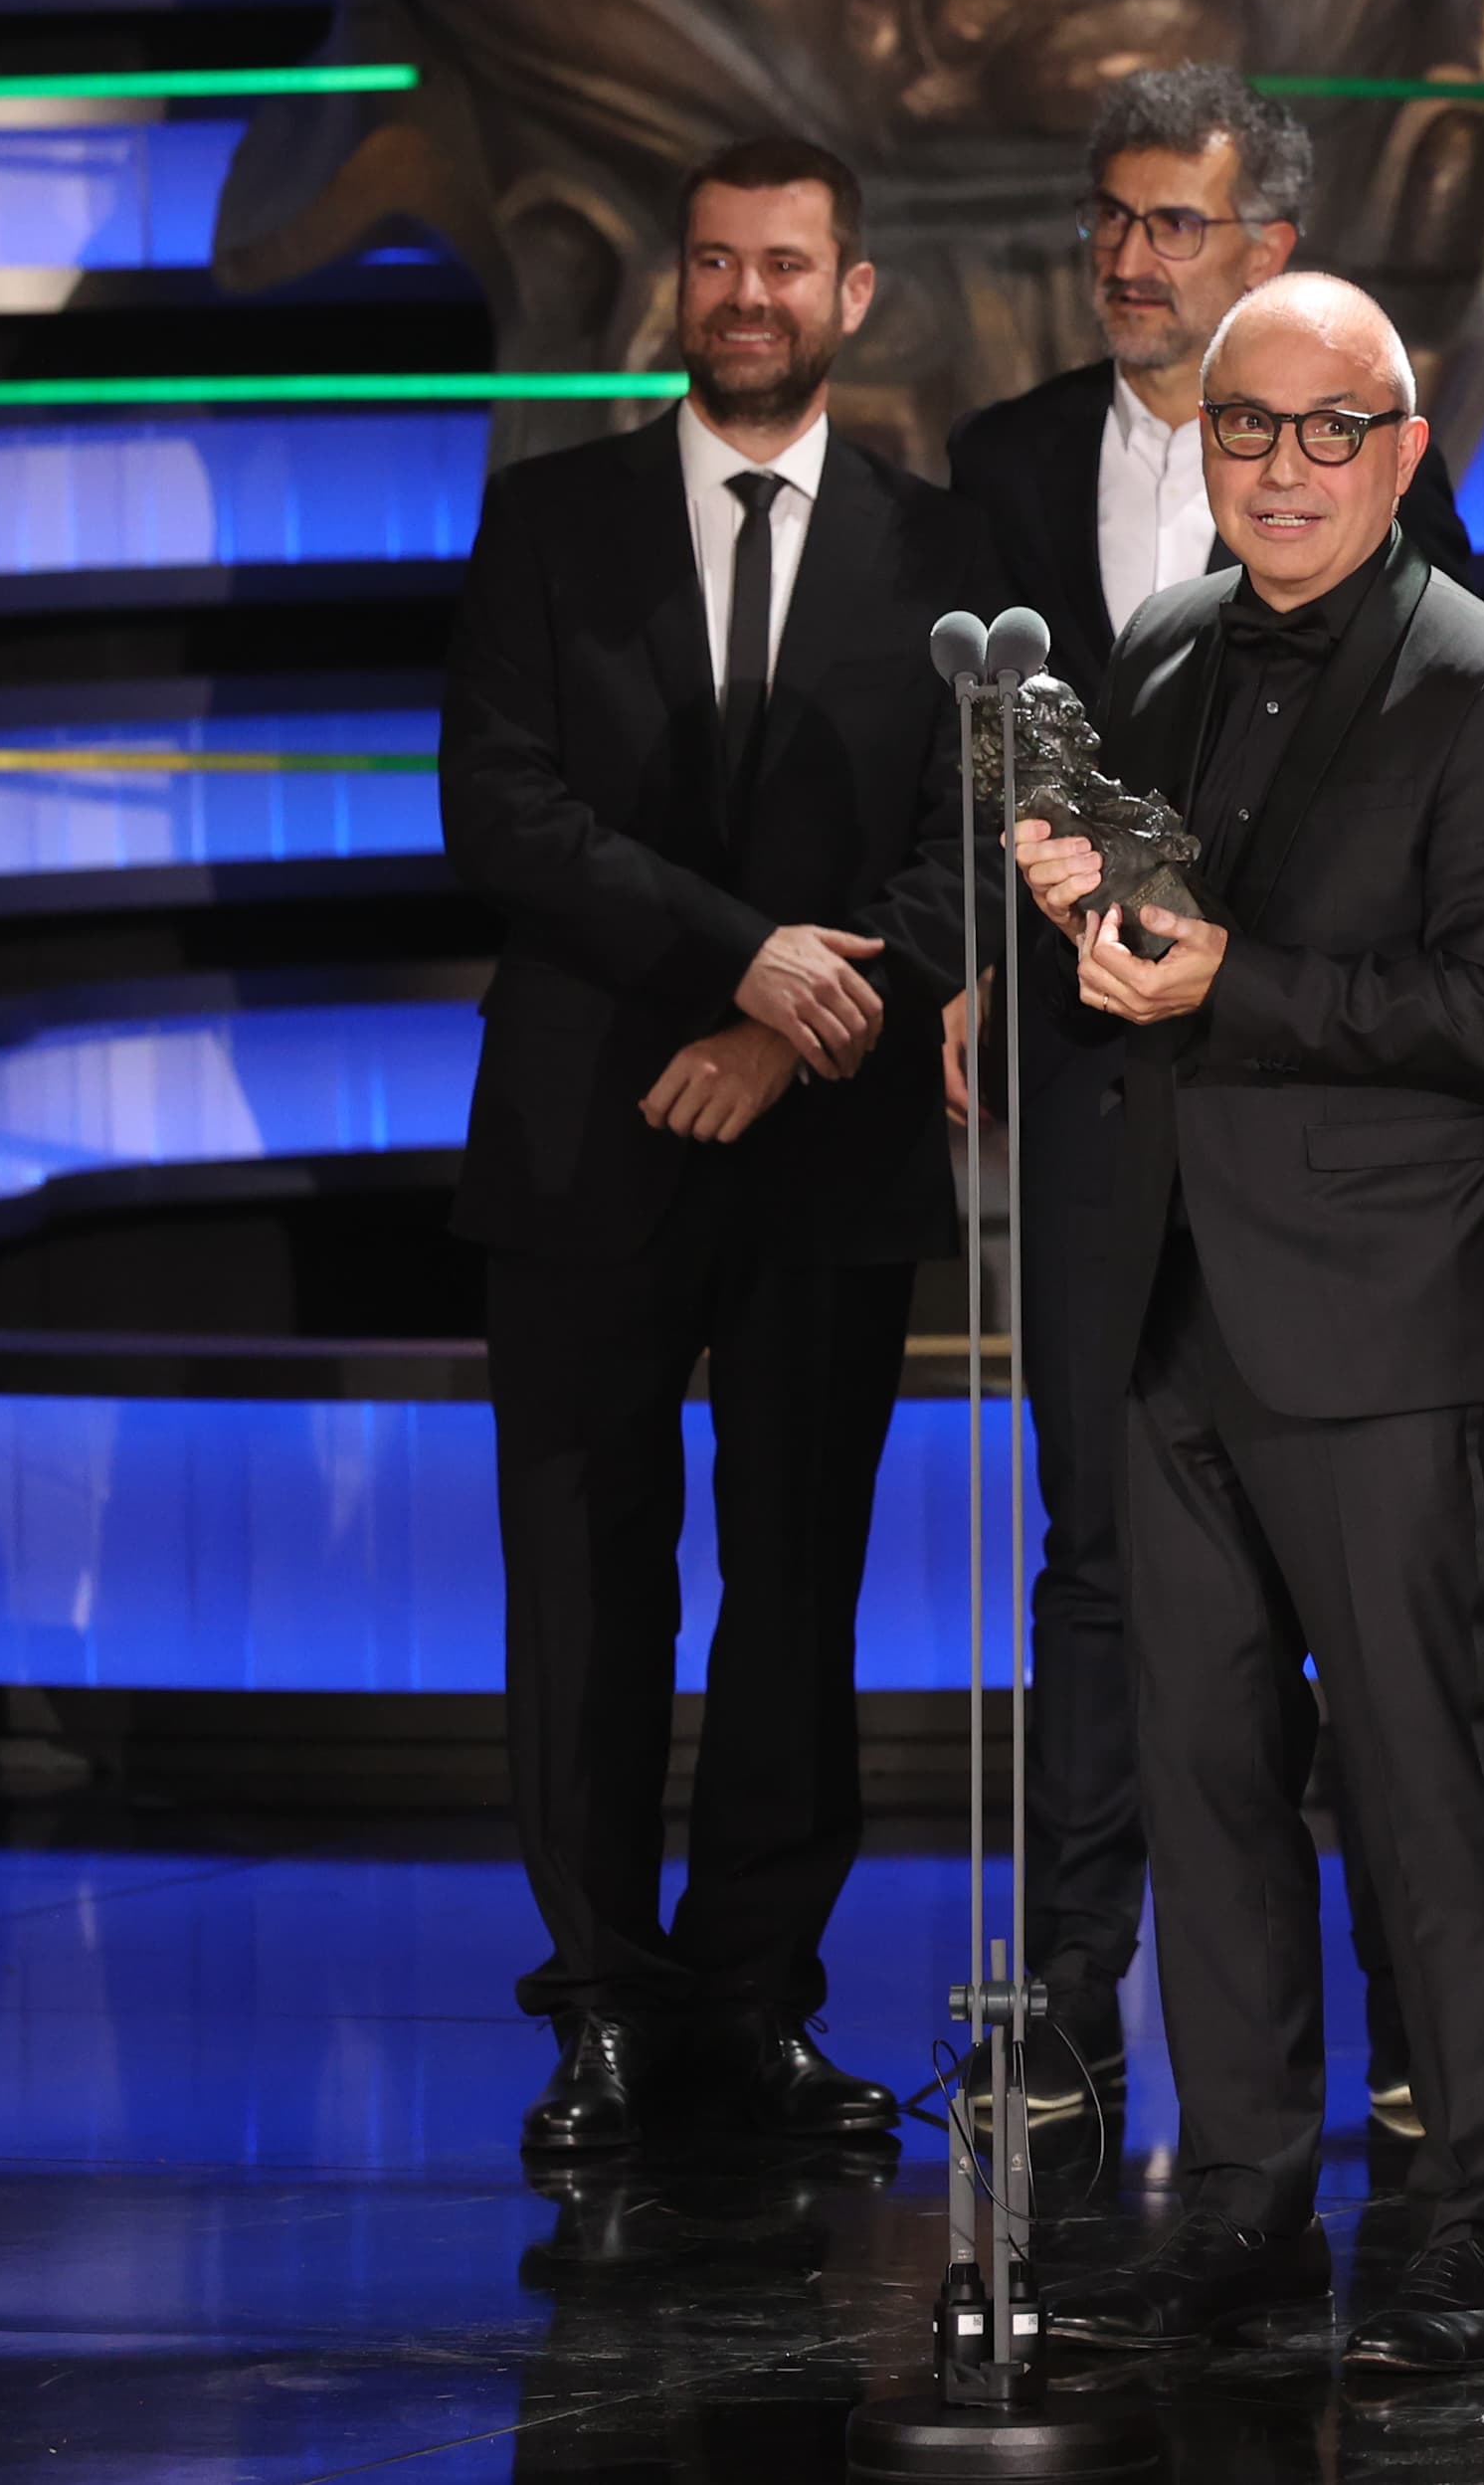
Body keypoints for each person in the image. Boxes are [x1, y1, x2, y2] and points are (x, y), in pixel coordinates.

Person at [1010, 273, 1484, 2373]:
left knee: (1423, 1787)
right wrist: (1065, 909)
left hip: (1373, 1318)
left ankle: (1477, 2223)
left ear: (1403, 449)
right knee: (1206, 1778)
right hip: (1165, 1304)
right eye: (1243, 430)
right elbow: (1151, 949)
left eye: (1324, 429)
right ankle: (1243, 2203)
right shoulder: (1155, 647)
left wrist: (1220, 978)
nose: (1278, 466)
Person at [444, 136, 1000, 2155]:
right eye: (714, 265)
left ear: (852, 295)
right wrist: (742, 960)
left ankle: (756, 1999)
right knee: (582, 1582)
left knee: (796, 1585)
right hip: (590, 1126)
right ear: (680, 290)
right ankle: (600, 2003)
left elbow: (968, 846)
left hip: (821, 1137)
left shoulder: (946, 554)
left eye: (785, 265)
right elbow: (502, 813)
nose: (745, 296)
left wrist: (792, 1034)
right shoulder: (548, 523)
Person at [942, 63, 1467, 2139]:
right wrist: (963, 976)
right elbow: (958, 785)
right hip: (1088, 1102)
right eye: (1115, 216)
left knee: (1358, 1584)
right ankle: (1073, 1996)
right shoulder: (997, 468)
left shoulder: (1401, 491)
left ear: (1274, 254)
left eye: (1180, 223)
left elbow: (1454, 799)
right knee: (1102, 1552)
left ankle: (1421, 2013)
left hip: (1313, 1134)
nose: (1133, 257)